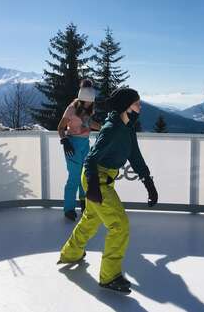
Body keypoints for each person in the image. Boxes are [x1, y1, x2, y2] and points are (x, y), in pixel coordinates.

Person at [57, 87, 159, 293]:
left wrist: (148, 181)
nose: (140, 106)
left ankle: (71, 253)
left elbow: (135, 155)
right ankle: (110, 276)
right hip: (97, 179)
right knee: (119, 225)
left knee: (91, 219)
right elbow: (91, 158)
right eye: (137, 103)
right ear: (125, 106)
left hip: (105, 179)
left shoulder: (128, 126)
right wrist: (93, 185)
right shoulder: (112, 127)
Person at [57, 79, 100, 221]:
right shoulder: (71, 108)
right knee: (74, 177)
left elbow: (90, 123)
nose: (89, 104)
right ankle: (68, 209)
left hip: (85, 144)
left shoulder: (90, 108)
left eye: (90, 102)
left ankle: (84, 202)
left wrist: (105, 127)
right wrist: (64, 140)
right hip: (72, 144)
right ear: (82, 98)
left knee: (84, 175)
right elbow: (60, 127)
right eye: (87, 102)